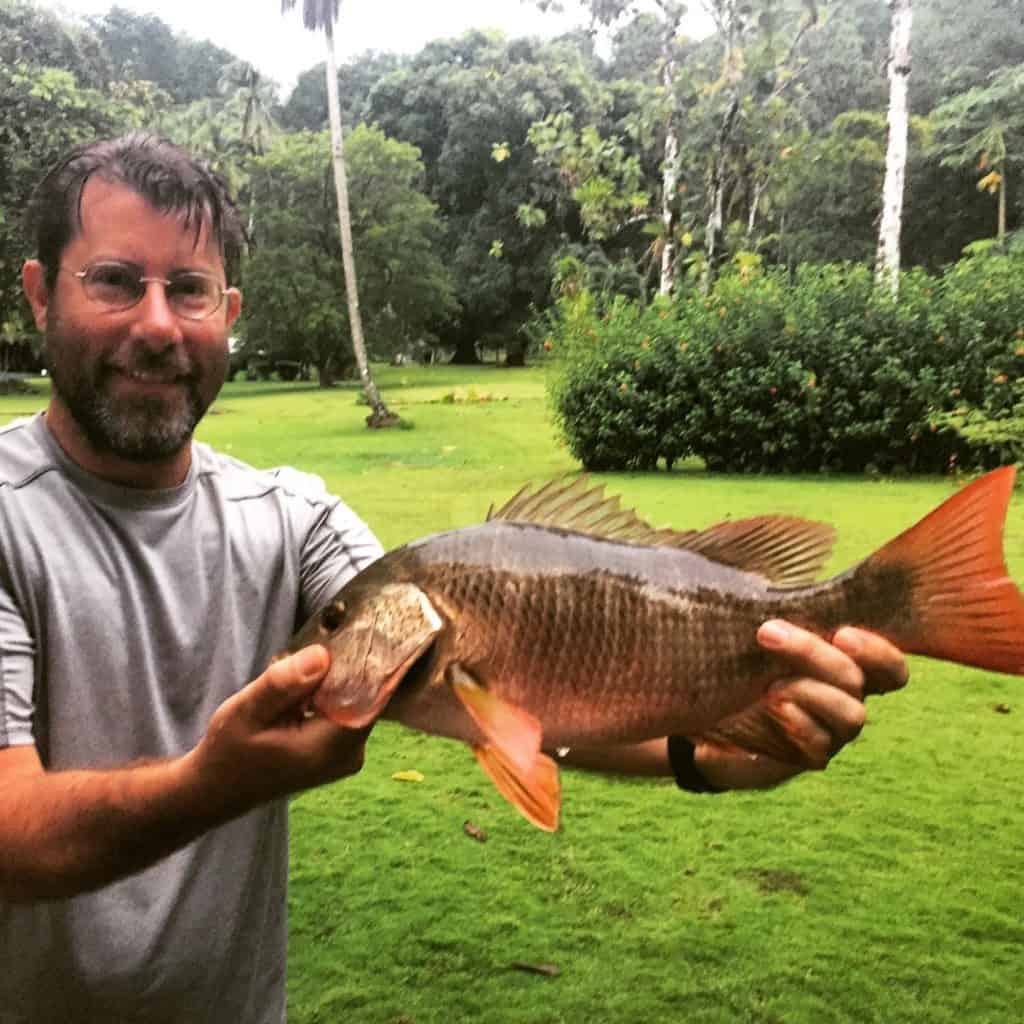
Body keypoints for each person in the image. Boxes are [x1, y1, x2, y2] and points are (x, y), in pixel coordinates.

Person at [0, 134, 907, 1023]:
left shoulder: (290, 519)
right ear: (41, 294)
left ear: (226, 312)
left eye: (187, 289)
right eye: (115, 281)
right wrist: (212, 780)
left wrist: (706, 750)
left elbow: (486, 679)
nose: (157, 324)